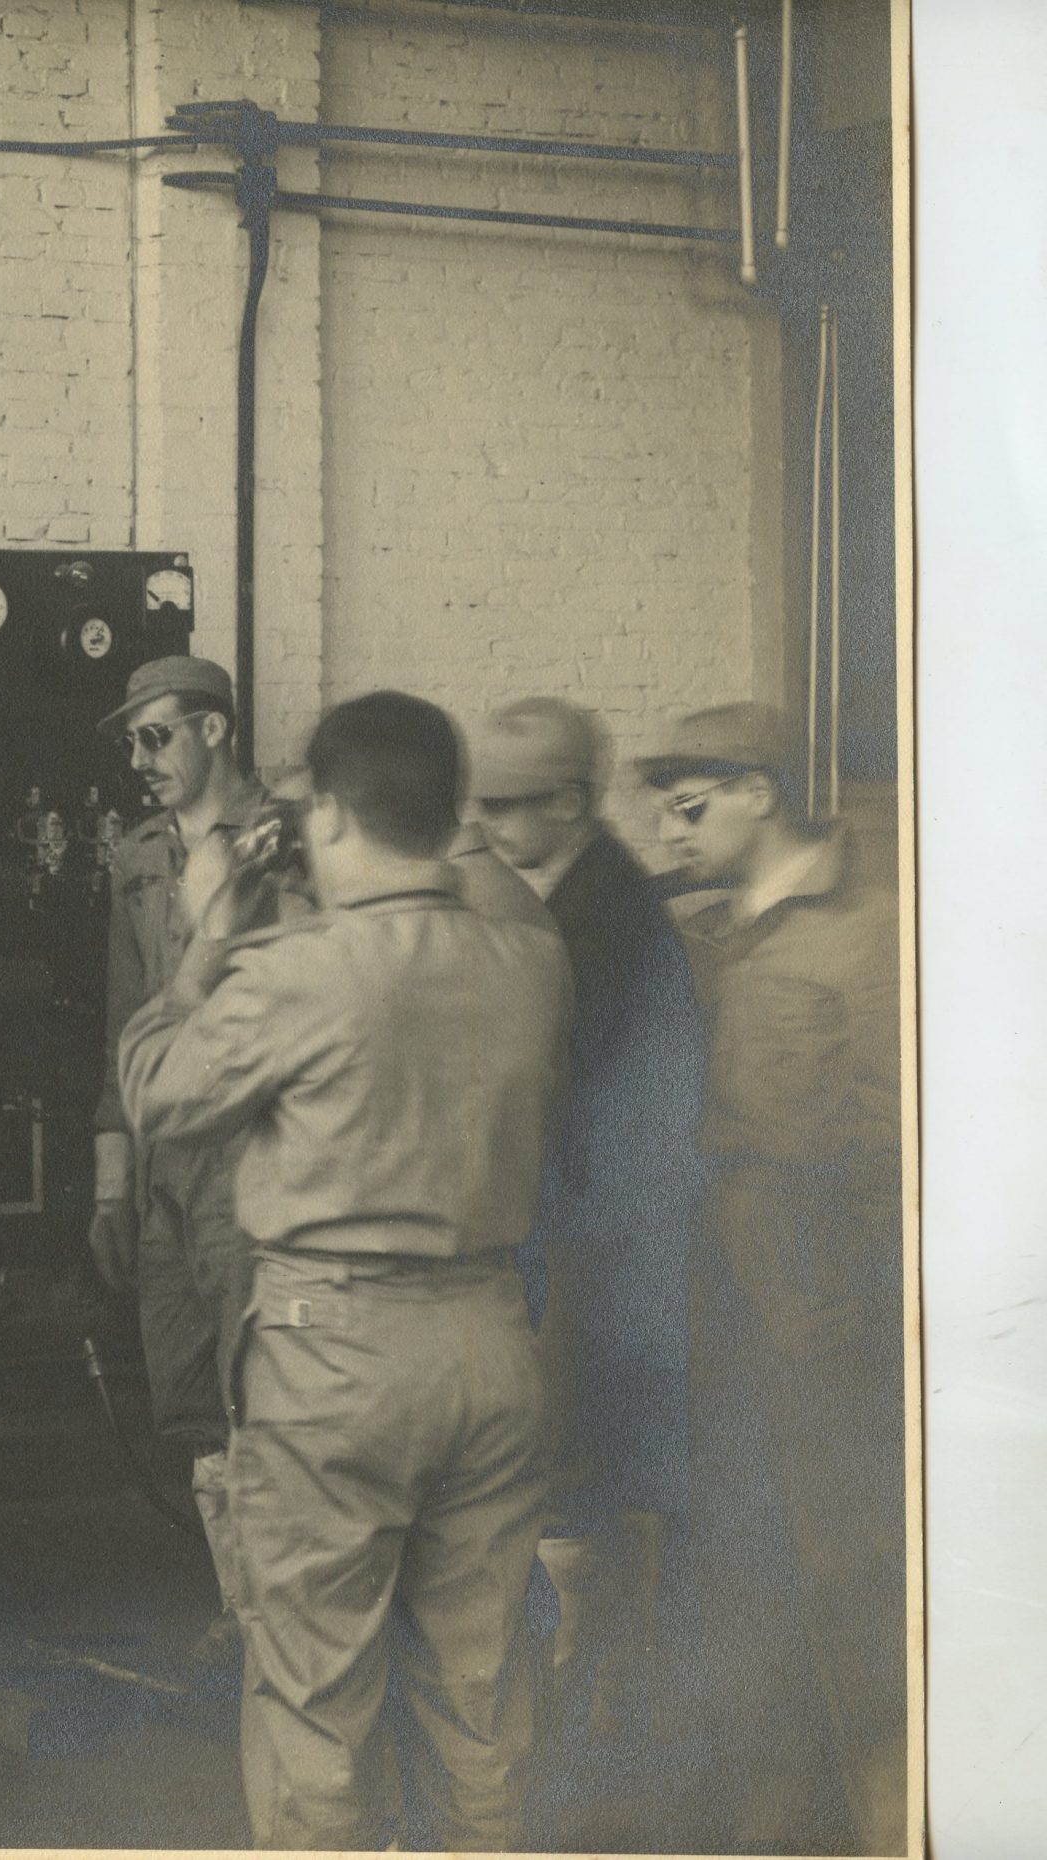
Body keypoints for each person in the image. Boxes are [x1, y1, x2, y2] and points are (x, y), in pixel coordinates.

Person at [120, 691, 570, 1850]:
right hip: (492, 1343)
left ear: (322, 814)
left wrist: (207, 939)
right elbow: (468, 902)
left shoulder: (297, 975)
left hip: (333, 1362)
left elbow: (160, 1094)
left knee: (316, 1697)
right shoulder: (529, 961)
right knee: (481, 1695)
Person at [639, 702, 907, 1854]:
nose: (667, 830)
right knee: (741, 1589)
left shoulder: (872, 934)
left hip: (825, 1331)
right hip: (725, 1323)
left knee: (853, 1598)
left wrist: (838, 1310)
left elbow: (902, 1153)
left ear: (760, 792)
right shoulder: (710, 935)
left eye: (688, 807)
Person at [468, 697, 706, 1836]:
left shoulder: (608, 922)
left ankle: (594, 1731)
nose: (482, 823)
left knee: (583, 1478)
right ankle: (593, 1712)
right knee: (578, 1478)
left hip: (597, 1251)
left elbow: (615, 1119)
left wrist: (562, 1270)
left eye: (503, 804)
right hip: (573, 1239)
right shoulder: (560, 899)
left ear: (567, 802)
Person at [86, 654, 281, 1661]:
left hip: (253, 1160)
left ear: (215, 729)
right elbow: (123, 1020)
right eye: (131, 742)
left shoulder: (286, 842)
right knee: (192, 1398)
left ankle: (282, 1622)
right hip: (166, 1165)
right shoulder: (137, 857)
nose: (139, 759)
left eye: (155, 735)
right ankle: (238, 1609)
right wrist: (111, 1183)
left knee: (266, 1389)